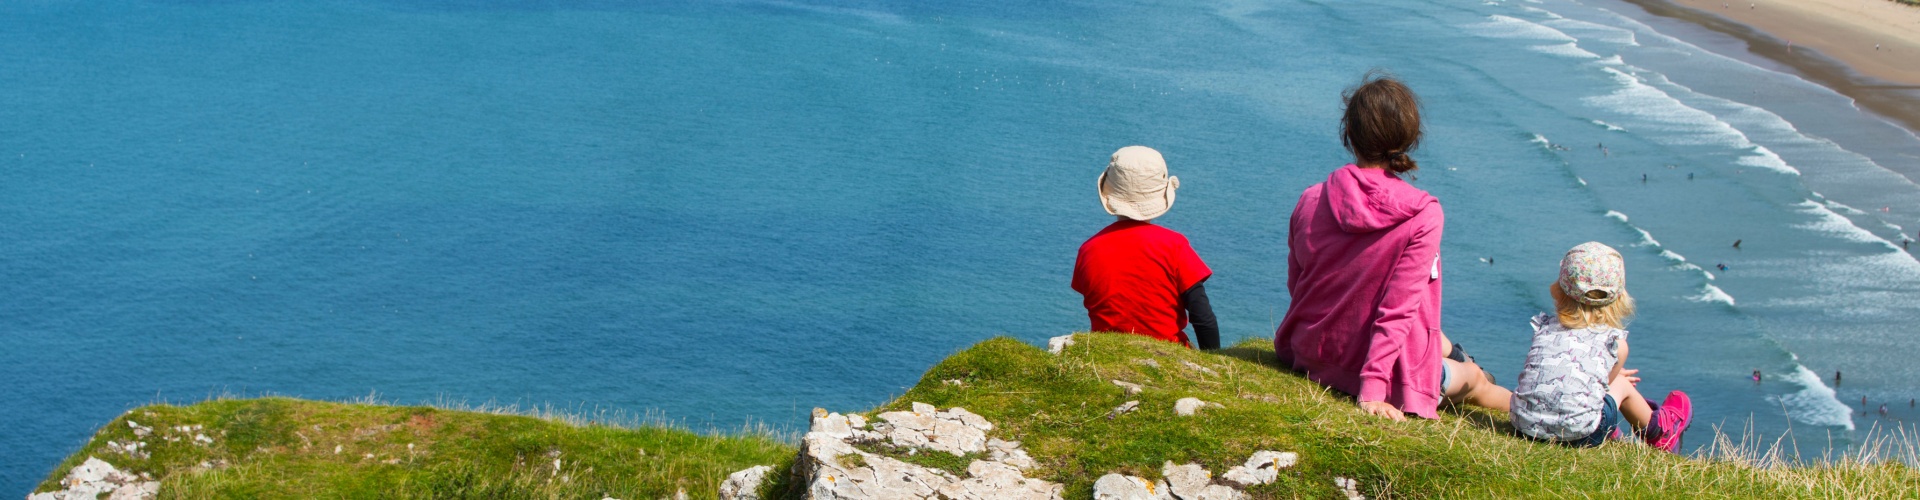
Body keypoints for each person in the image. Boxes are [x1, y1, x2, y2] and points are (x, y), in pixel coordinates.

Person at [1274, 72, 1510, 421]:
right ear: (1409, 139)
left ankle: (1458, 356)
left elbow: (1299, 283)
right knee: (1476, 381)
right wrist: (1372, 390)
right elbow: (1397, 308)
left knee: (1442, 342)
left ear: (1349, 132)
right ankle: (1548, 417)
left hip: (1309, 353)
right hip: (1381, 373)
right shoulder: (1422, 213)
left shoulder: (1311, 198)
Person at [1511, 242, 1693, 452]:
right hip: (1581, 436)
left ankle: (1619, 429)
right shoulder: (1615, 344)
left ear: (1560, 289)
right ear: (1619, 297)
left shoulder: (1545, 329)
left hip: (1523, 426)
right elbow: (1601, 388)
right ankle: (1660, 432)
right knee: (1622, 384)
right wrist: (1617, 377)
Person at [1072, 146, 1220, 350]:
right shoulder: (1174, 245)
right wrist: (1214, 366)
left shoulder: (1088, 249)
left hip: (1106, 353)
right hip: (1168, 355)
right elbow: (1203, 317)